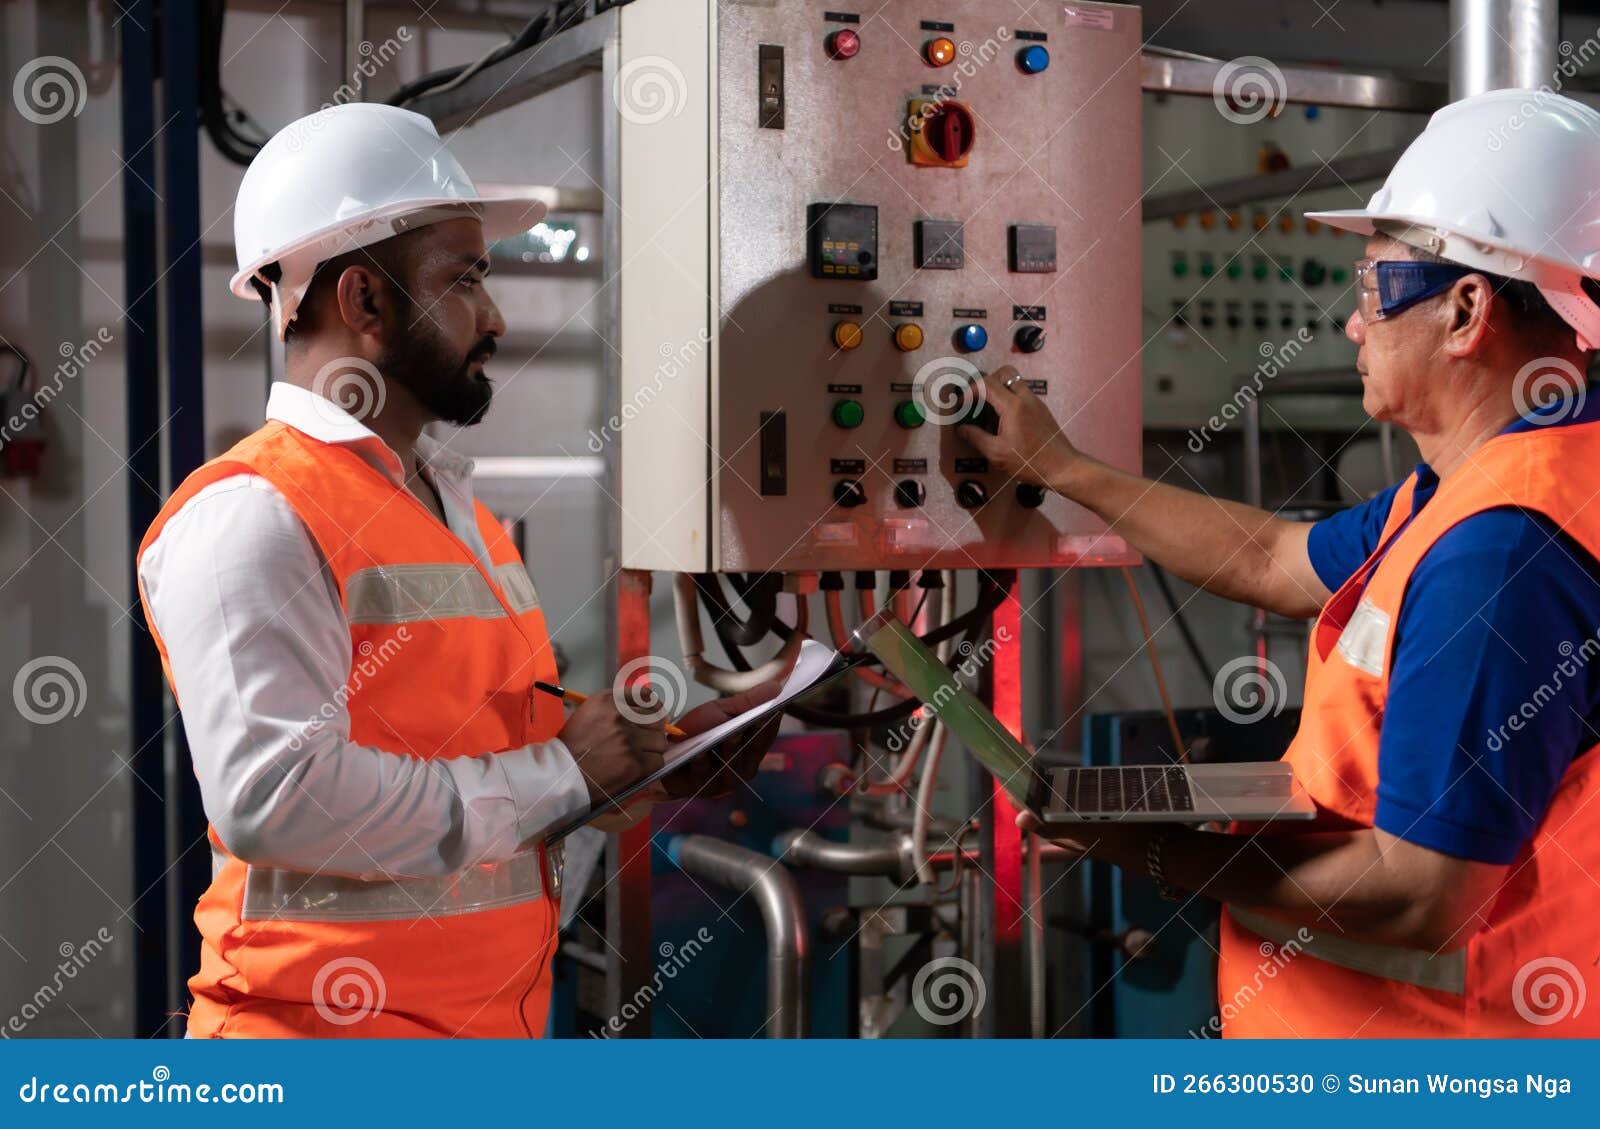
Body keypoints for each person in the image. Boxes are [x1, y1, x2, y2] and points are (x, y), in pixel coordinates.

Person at [959, 88, 1600, 1037]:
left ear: (1467, 311)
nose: (1353, 326)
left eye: (1376, 291)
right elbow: (1275, 556)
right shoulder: (1490, 484)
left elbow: (1423, 893)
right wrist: (1063, 470)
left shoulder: (1503, 551)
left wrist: (1152, 850)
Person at [136, 103, 782, 1038]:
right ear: (363, 301)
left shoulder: (452, 508)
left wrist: (655, 755)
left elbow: (466, 730)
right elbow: (275, 799)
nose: (495, 315)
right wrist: (565, 772)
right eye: (466, 279)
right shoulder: (251, 513)